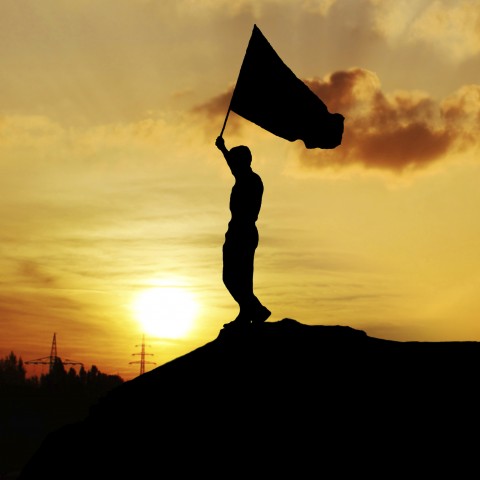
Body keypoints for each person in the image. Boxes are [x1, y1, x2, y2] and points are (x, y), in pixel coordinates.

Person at [215, 136, 271, 327]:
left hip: (243, 231)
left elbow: (235, 169)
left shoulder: (251, 180)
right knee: (233, 276)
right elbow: (234, 167)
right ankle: (248, 311)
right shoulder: (245, 177)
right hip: (238, 231)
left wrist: (224, 150)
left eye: (235, 159)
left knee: (238, 276)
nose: (233, 163)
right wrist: (223, 150)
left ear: (243, 161)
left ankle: (254, 310)